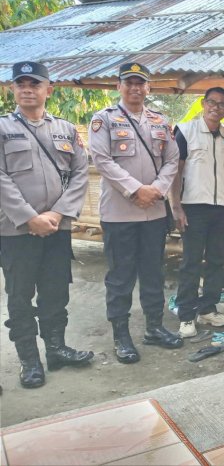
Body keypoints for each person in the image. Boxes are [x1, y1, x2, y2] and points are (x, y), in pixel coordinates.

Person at [0, 61, 93, 388]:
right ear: (12, 89)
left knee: (55, 292)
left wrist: (57, 214)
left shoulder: (66, 130)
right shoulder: (1, 128)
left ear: (48, 90)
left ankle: (56, 349)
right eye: (21, 83)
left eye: (35, 83)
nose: (28, 89)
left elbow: (81, 173)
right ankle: (30, 361)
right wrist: (29, 217)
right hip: (15, 231)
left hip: (57, 229)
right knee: (20, 296)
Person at [89, 62, 183, 364]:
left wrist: (156, 189)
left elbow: (173, 159)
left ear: (148, 88)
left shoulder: (159, 121)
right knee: (121, 277)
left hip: (154, 213)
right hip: (119, 214)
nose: (135, 88)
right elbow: (102, 161)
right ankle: (122, 336)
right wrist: (136, 189)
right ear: (119, 86)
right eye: (129, 83)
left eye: (140, 83)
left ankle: (154, 328)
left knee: (154, 272)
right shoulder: (103, 120)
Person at [170, 87, 224, 338]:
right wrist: (176, 205)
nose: (216, 107)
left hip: (222, 208)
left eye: (222, 104)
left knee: (216, 261)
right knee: (191, 261)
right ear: (203, 103)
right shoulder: (185, 131)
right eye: (212, 102)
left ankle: (207, 308)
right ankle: (186, 316)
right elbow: (175, 171)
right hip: (193, 207)